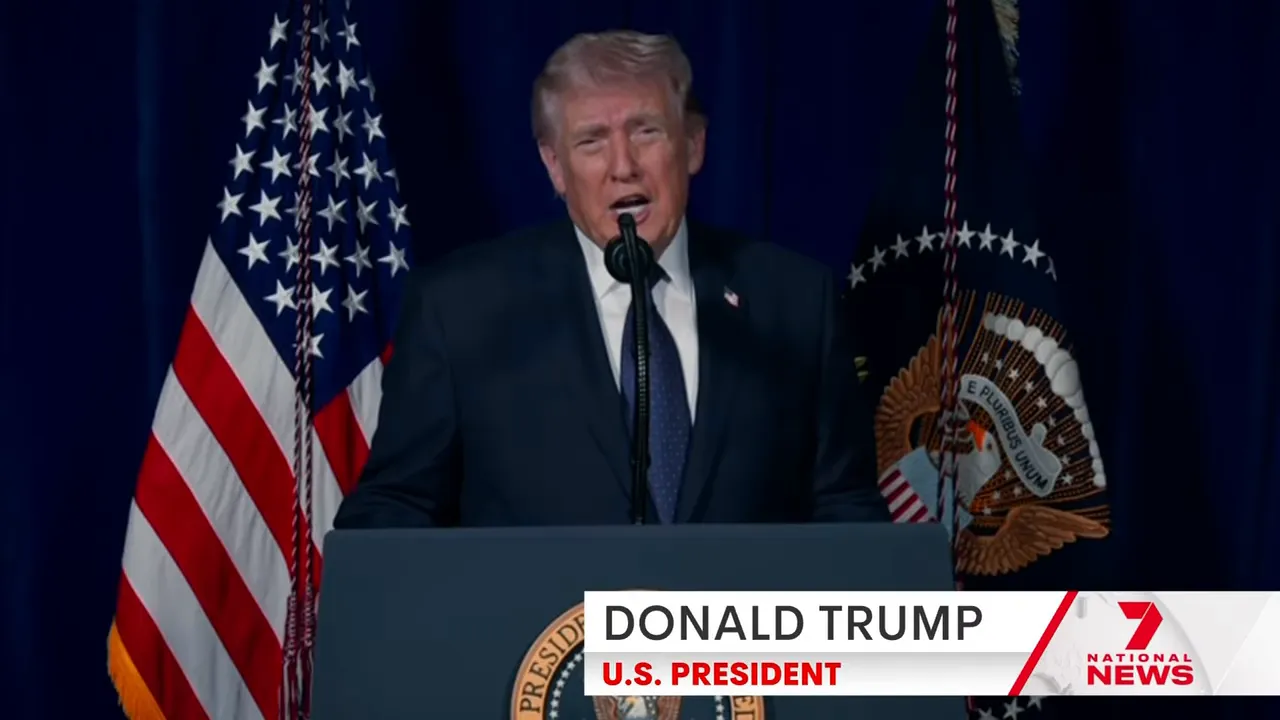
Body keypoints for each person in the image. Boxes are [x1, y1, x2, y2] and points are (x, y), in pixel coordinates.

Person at [332, 30, 888, 528]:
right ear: (555, 167)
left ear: (693, 144)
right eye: (592, 141)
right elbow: (395, 509)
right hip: (536, 643)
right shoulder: (461, 311)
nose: (623, 166)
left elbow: (846, 506)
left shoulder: (794, 301)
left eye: (646, 131)